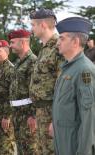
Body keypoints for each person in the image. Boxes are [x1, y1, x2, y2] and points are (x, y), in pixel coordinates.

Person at [53, 17, 95, 155]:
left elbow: (89, 118)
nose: (57, 43)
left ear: (75, 41)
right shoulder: (68, 68)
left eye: (62, 38)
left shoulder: (84, 70)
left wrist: (84, 152)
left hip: (75, 146)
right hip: (64, 142)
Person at [29, 8, 64, 154]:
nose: (31, 29)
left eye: (33, 25)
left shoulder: (58, 47)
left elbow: (63, 86)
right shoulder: (44, 49)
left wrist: (55, 120)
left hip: (52, 113)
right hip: (41, 112)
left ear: (43, 24)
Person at [8, 29, 37, 155]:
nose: (10, 45)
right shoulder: (19, 62)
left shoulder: (33, 61)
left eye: (12, 42)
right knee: (21, 149)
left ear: (22, 42)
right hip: (18, 114)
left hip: (28, 115)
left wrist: (34, 115)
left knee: (31, 149)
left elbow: (36, 91)